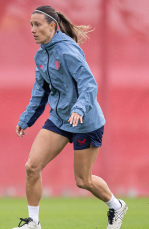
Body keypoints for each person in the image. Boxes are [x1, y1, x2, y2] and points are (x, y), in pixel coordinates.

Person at [13, 6, 128, 229]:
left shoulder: (67, 51)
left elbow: (88, 84)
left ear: (52, 26)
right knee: (32, 167)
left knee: (83, 181)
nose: (33, 30)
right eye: (31, 25)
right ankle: (33, 222)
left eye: (37, 25)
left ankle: (116, 206)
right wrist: (26, 119)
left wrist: (79, 109)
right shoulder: (40, 55)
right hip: (59, 118)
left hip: (85, 121)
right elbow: (40, 91)